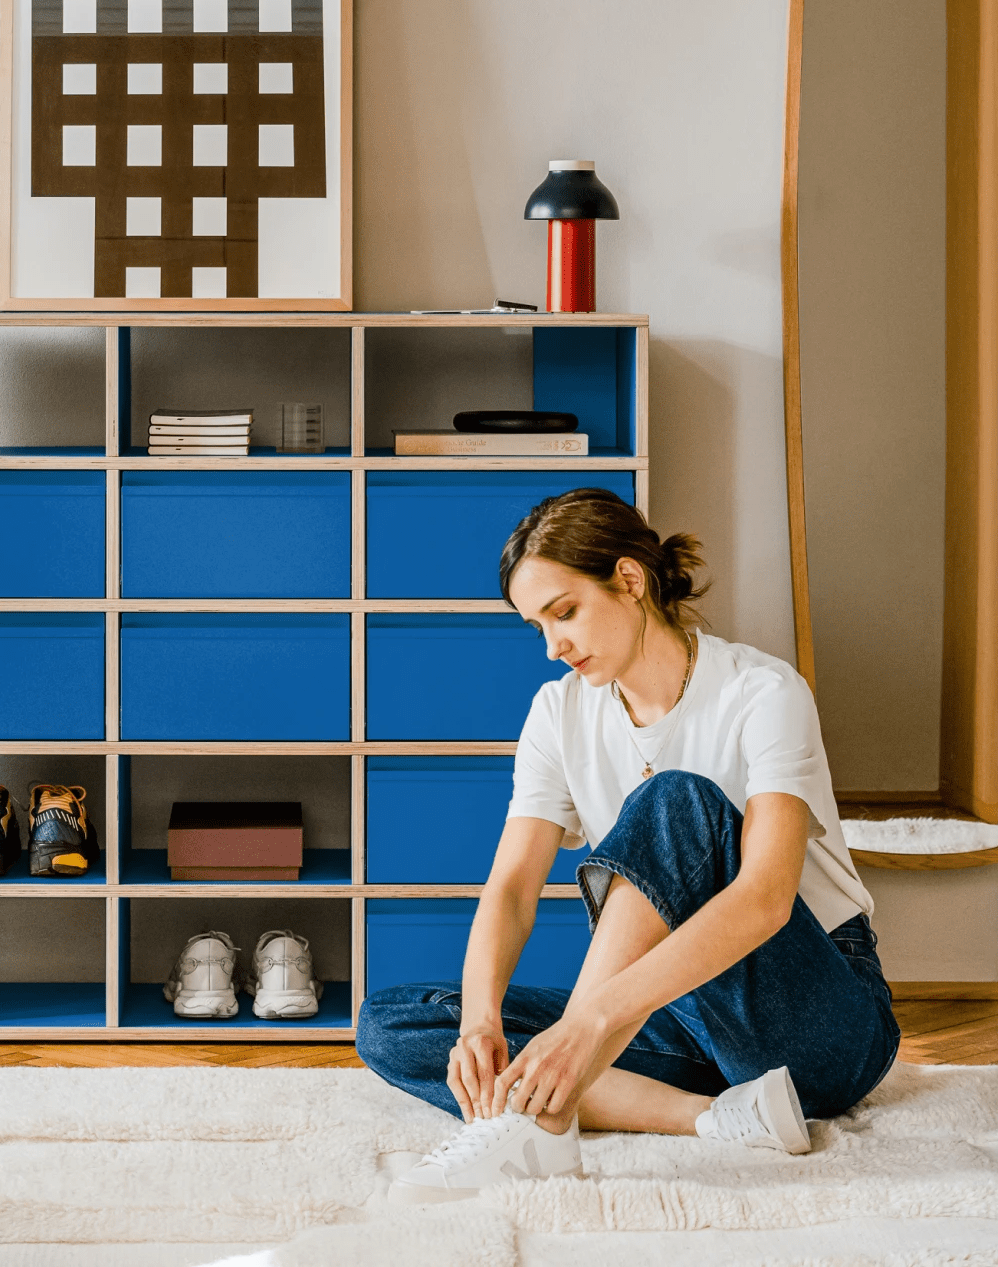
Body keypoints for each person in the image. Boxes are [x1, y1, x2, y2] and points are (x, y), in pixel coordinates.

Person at [356, 488, 899, 1205]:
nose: (552, 646)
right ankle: (711, 1117)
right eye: (536, 627)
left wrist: (589, 1023)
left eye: (565, 612)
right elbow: (514, 888)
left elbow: (766, 900)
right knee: (400, 1021)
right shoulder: (558, 711)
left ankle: (542, 1121)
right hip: (679, 1019)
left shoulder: (763, 692)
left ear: (630, 580)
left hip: (814, 1018)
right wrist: (483, 1022)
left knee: (677, 800)